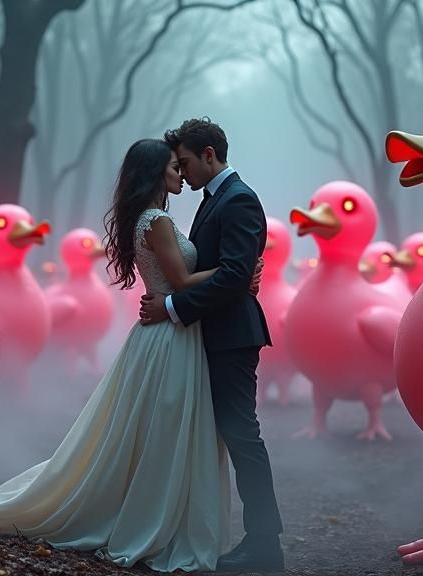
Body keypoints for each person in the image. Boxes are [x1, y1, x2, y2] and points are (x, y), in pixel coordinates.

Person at [0, 138, 262, 572]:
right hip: (169, 336)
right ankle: (152, 516)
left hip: (169, 331)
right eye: (174, 167)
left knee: (153, 428)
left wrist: (230, 277)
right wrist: (238, 273)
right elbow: (180, 280)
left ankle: (151, 509)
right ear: (157, 171)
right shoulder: (156, 221)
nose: (180, 173)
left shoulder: (152, 218)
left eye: (182, 165)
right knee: (164, 428)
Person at [141, 118, 284, 572]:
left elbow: (234, 274)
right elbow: (229, 270)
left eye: (185, 162)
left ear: (208, 155)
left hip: (231, 336)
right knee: (230, 436)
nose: (182, 173)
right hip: (213, 332)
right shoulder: (214, 200)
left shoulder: (238, 199)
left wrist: (172, 306)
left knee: (243, 436)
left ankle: (264, 545)